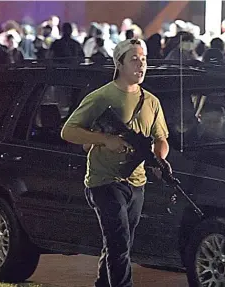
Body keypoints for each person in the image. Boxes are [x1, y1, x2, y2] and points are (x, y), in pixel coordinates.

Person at [61, 38, 170, 287]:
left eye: (144, 59)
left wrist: (159, 158)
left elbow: (161, 138)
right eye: (134, 59)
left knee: (119, 243)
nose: (141, 64)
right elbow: (68, 131)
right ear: (118, 64)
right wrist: (104, 140)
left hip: (136, 183)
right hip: (104, 181)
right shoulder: (102, 97)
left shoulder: (151, 101)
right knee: (119, 242)